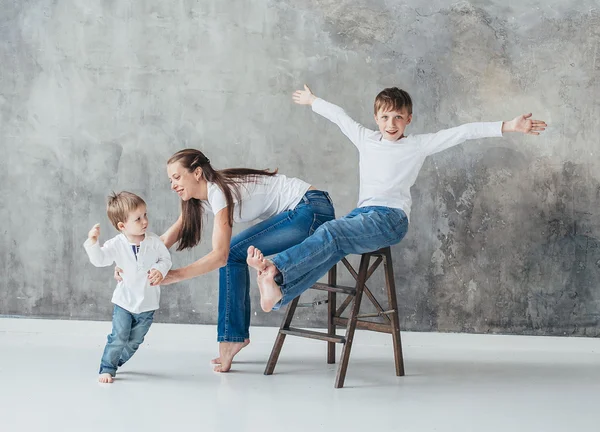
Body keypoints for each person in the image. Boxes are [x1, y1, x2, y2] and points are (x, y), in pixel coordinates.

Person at [246, 85, 547, 313]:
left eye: (398, 117)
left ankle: (274, 266)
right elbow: (340, 118)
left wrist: (509, 125)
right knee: (332, 244)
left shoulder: (416, 146)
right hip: (362, 217)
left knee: (331, 232)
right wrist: (313, 101)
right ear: (376, 118)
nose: (392, 123)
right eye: (386, 117)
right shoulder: (366, 138)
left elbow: (462, 133)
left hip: (390, 220)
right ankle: (280, 292)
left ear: (409, 120)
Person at [153, 149, 335, 372]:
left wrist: (175, 276)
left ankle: (233, 337)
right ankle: (234, 335)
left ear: (197, 173)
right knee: (234, 255)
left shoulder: (218, 191)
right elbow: (165, 239)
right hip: (307, 210)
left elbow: (220, 255)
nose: (173, 185)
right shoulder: (199, 200)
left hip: (311, 209)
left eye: (177, 177)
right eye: (170, 179)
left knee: (230, 255)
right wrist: (133, 263)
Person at [84, 191, 172, 383]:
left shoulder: (153, 241)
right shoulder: (116, 244)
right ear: (122, 226)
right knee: (118, 337)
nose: (144, 221)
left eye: (145, 215)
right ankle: (107, 367)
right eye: (138, 218)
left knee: (134, 341)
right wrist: (92, 243)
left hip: (147, 304)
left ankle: (116, 360)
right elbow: (101, 260)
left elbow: (166, 259)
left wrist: (159, 269)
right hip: (124, 301)